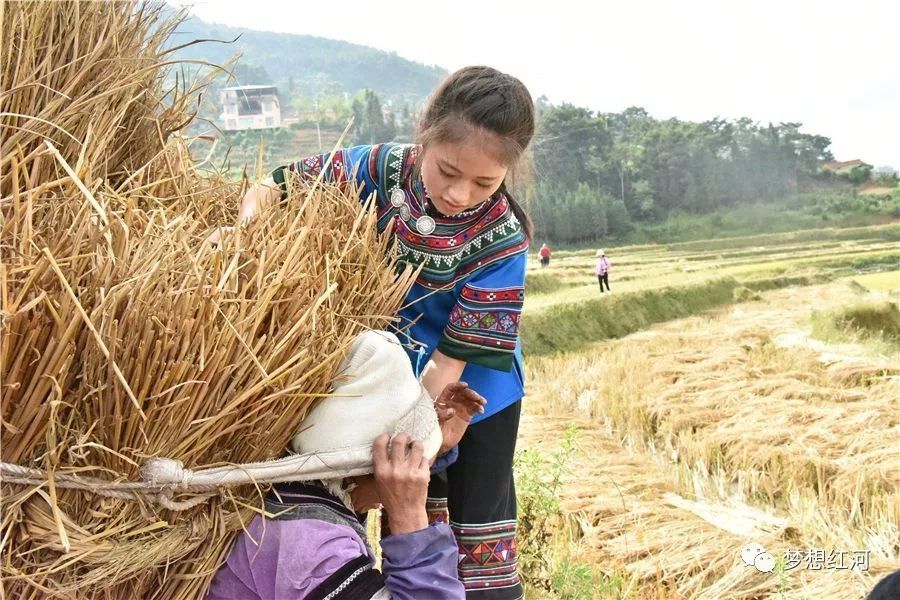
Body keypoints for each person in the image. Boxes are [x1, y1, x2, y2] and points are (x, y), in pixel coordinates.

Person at [219, 66, 534, 598]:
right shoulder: (379, 168)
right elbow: (270, 188)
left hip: (470, 388)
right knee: (389, 499)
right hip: (389, 369)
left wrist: (420, 433)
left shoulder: (503, 240)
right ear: (424, 139)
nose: (459, 194)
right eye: (447, 171)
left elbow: (449, 366)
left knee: (475, 524)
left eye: (484, 183)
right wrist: (244, 244)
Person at [206, 331, 486, 600]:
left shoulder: (294, 505)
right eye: (402, 461)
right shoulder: (311, 546)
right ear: (362, 469)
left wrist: (435, 444)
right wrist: (409, 519)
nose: (404, 474)